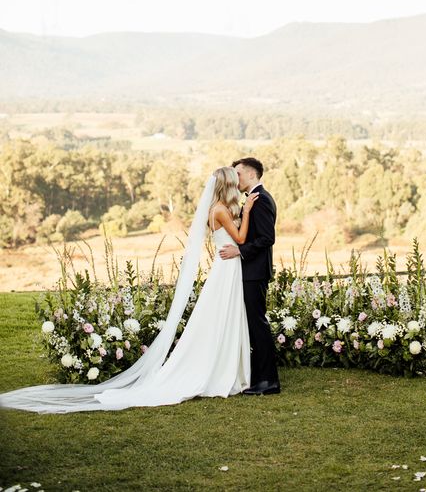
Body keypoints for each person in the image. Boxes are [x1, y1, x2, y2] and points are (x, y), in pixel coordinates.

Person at [0, 167, 257, 413]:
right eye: (235, 181)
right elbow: (241, 238)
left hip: (227, 267)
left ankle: (224, 366)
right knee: (223, 314)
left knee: (223, 316)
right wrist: (246, 212)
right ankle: (218, 370)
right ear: (228, 185)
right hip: (227, 267)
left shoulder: (218, 208)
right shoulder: (221, 210)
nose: (238, 184)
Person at [220, 157, 280, 395]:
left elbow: (267, 238)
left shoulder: (261, 200)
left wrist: (239, 251)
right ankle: (258, 376)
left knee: (258, 324)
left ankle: (269, 381)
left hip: (254, 272)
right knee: (253, 324)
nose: (236, 179)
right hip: (250, 271)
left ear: (252, 175)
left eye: (239, 174)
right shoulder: (251, 200)